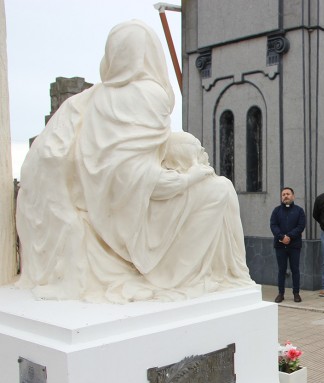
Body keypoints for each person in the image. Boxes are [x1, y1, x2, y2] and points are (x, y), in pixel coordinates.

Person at [16, 20, 254, 303]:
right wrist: (195, 176)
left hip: (97, 209)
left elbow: (50, 160)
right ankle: (174, 275)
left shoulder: (83, 101)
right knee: (221, 190)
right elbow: (145, 180)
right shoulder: (148, 95)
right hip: (132, 216)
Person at [270, 187, 306, 303]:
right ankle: (281, 293)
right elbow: (273, 225)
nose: (285, 196)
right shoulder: (276, 211)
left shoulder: (299, 211)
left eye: (288, 194)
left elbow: (301, 226)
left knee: (295, 269)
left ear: (293, 196)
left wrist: (289, 236)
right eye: (283, 194)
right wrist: (282, 237)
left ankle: (296, 293)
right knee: (281, 270)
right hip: (280, 245)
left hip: (294, 245)